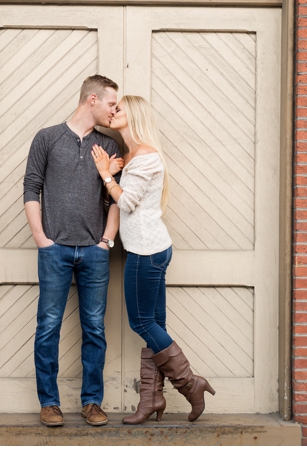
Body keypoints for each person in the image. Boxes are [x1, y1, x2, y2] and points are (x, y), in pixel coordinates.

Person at [92, 95, 215, 423]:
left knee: (141, 322)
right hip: (149, 247)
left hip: (147, 250)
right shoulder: (133, 155)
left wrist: (106, 174)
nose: (114, 112)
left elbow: (128, 202)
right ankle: (151, 399)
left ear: (134, 116)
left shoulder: (146, 156)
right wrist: (115, 173)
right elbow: (126, 198)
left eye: (119, 109)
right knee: (154, 325)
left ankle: (190, 384)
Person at [23, 74, 122, 427]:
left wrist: (106, 241)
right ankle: (49, 403)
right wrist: (41, 239)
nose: (115, 109)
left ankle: (92, 402)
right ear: (92, 100)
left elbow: (114, 199)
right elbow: (32, 188)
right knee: (48, 325)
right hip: (55, 250)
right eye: (111, 103)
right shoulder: (47, 138)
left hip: (94, 252)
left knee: (94, 327)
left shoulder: (110, 146)